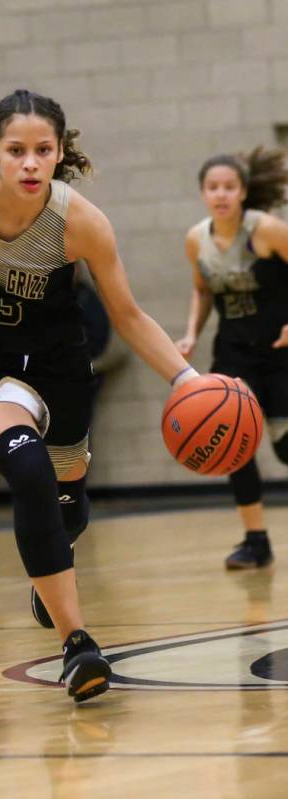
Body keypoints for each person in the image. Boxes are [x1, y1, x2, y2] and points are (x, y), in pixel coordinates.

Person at [0, 89, 199, 702]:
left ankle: (51, 559)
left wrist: (187, 380)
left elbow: (127, 315)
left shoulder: (79, 222)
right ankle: (79, 646)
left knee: (67, 508)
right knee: (26, 470)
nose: (29, 163)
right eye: (16, 150)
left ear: (58, 154)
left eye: (42, 151)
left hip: (57, 370)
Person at [177, 147, 288, 570]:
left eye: (229, 187)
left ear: (242, 192)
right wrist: (191, 334)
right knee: (233, 444)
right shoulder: (195, 240)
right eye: (212, 187)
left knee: (284, 447)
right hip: (234, 353)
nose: (220, 194)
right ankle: (255, 540)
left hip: (280, 353)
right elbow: (203, 289)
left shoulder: (269, 231)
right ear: (203, 193)